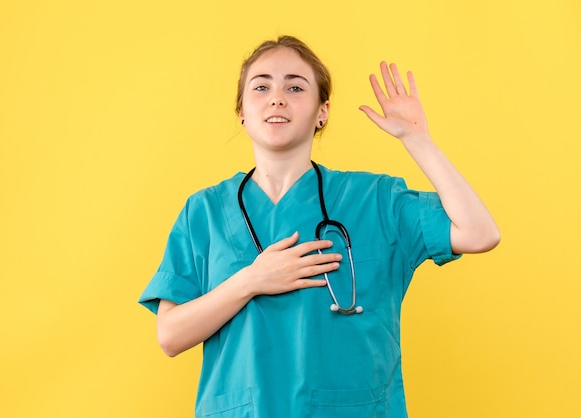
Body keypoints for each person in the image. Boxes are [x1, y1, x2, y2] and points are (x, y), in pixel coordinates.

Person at [139, 35, 500, 417]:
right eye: (261, 86)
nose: (277, 97)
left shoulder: (375, 199)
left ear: (322, 111)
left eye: (295, 86)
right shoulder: (204, 211)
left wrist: (418, 140)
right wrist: (252, 280)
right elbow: (170, 336)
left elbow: (480, 233)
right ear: (242, 111)